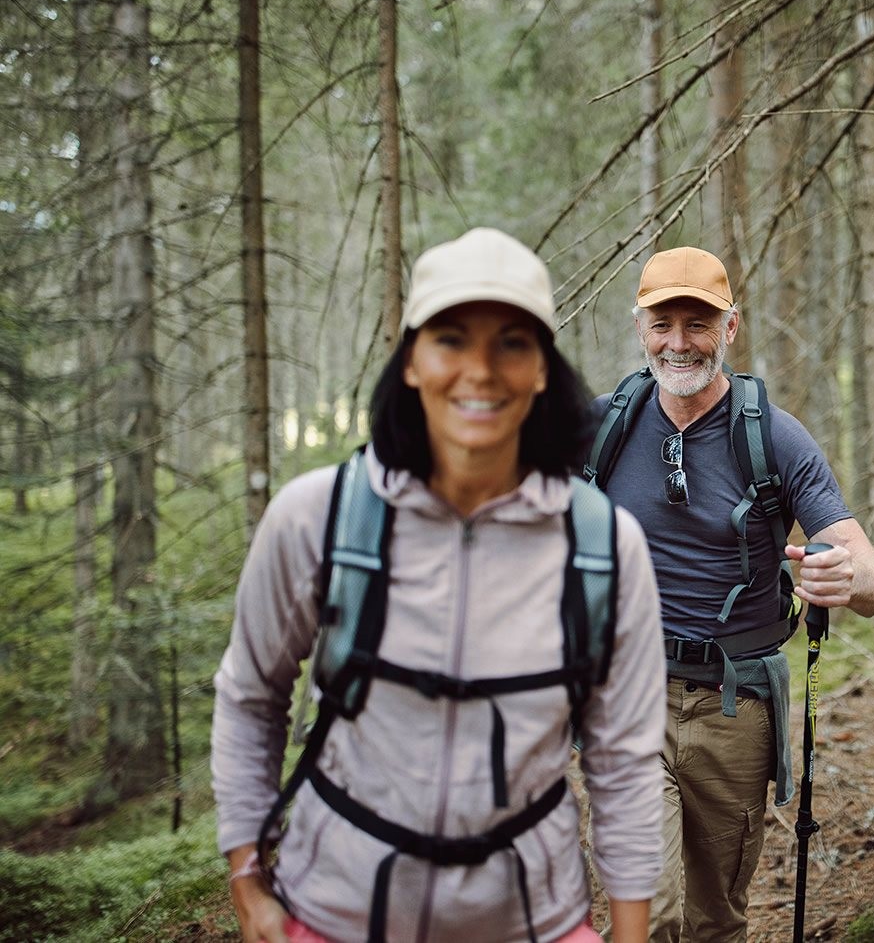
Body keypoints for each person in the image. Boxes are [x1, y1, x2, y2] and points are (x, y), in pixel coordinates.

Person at [211, 228, 666, 943]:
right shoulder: (317, 518)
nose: (479, 370)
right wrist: (246, 874)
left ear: (544, 369)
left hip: (531, 922)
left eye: (512, 343)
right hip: (331, 915)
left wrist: (631, 934)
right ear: (414, 362)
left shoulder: (605, 547)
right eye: (451, 339)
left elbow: (624, 756)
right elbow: (249, 697)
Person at [588, 246, 874, 942]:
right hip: (628, 697)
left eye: (698, 324)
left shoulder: (774, 439)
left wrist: (846, 578)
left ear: (731, 328)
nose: (678, 342)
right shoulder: (602, 428)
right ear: (639, 326)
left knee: (714, 919)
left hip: (737, 708)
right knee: (649, 913)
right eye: (662, 323)